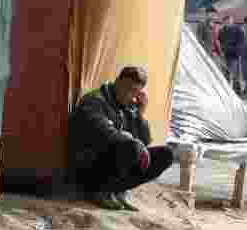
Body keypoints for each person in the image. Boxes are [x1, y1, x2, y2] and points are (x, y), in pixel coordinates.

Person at [67, 66, 175, 211]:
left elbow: (145, 141)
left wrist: (139, 114)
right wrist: (132, 140)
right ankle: (99, 191)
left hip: (114, 165)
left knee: (166, 154)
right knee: (131, 147)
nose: (129, 94)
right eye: (127, 88)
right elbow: (106, 133)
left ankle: (116, 191)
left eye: (134, 91)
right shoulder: (94, 101)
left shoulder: (127, 107)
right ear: (117, 81)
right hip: (89, 168)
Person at [218, 14, 245, 92]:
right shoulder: (222, 30)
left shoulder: (238, 30)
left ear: (232, 21)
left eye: (229, 21)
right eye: (226, 21)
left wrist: (237, 51)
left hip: (234, 55)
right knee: (226, 73)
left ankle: (234, 90)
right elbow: (220, 40)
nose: (228, 22)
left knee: (233, 73)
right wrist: (222, 50)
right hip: (225, 55)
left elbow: (241, 42)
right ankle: (226, 89)